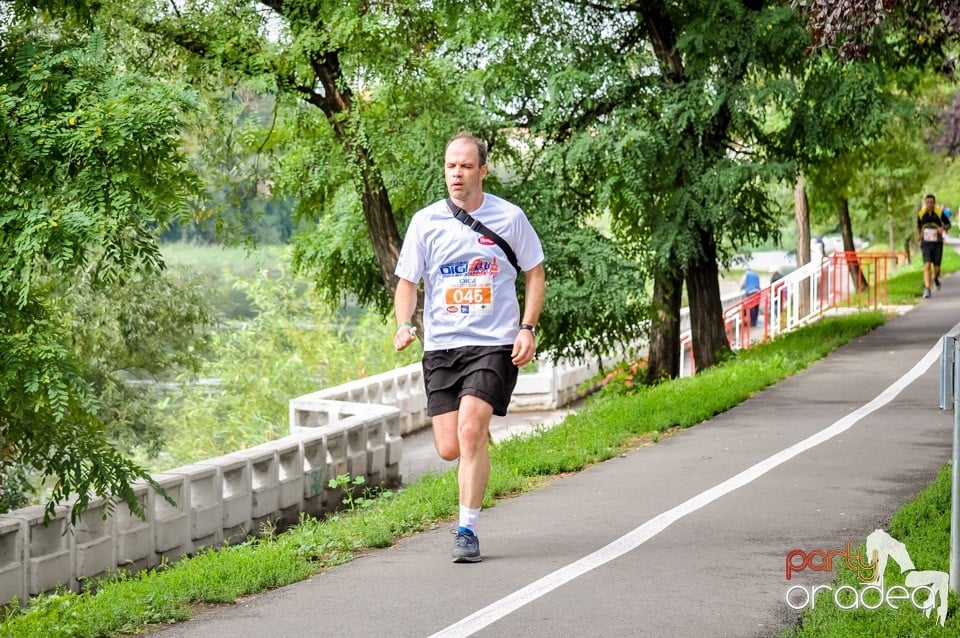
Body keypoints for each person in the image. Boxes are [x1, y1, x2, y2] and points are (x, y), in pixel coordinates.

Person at [393, 132, 546, 563]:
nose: (456, 174)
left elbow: (534, 273)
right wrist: (405, 323)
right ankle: (475, 443)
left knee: (470, 430)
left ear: (482, 170)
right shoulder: (426, 223)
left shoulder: (510, 217)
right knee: (449, 447)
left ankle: (467, 531)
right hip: (442, 346)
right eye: (449, 166)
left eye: (464, 166)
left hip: (493, 343)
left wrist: (527, 327)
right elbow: (408, 282)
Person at [916, 193, 951, 298]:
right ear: (925, 203)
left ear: (934, 203)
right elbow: (918, 226)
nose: (929, 204)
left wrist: (943, 229)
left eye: (931, 202)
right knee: (927, 265)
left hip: (937, 243)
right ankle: (927, 289)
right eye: (927, 202)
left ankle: (935, 278)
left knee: (937, 268)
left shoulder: (939, 213)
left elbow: (948, 224)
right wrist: (918, 236)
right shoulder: (921, 214)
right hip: (926, 243)